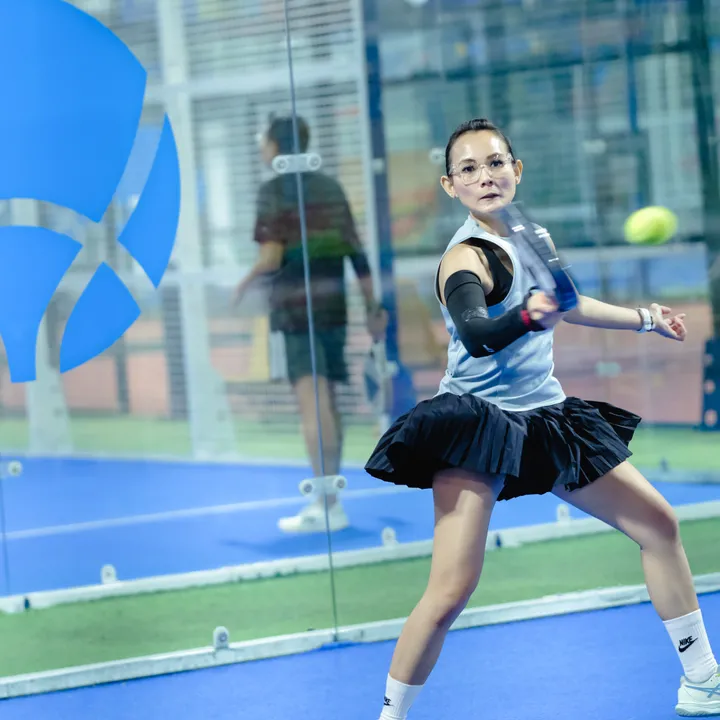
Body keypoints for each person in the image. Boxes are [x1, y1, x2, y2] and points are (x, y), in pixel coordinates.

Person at [365, 117, 719, 718]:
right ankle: (390, 715)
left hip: (546, 415)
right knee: (450, 591)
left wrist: (646, 318)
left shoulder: (532, 234)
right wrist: (528, 316)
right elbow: (477, 335)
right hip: (477, 426)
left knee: (659, 525)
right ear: (450, 186)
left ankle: (702, 680)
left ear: (516, 170)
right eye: (468, 169)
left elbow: (571, 304)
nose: (485, 176)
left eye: (495, 163)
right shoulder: (465, 259)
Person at [236, 115, 386, 534]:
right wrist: (372, 306)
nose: (261, 148)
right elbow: (357, 254)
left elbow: (270, 258)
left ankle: (325, 504)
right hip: (333, 309)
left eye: (263, 141)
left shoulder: (273, 191)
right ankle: (330, 501)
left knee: (312, 402)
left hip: (296, 311)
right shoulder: (330, 188)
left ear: (275, 146)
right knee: (327, 401)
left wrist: (241, 287)